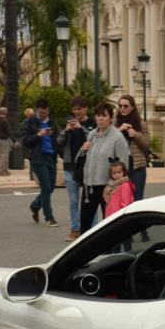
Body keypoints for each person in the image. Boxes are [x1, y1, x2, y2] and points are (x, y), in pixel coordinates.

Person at [76, 102, 131, 232]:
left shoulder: (117, 137)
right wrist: (82, 150)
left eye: (104, 115)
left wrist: (112, 185)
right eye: (98, 115)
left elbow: (123, 165)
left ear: (110, 117)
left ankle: (111, 251)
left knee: (109, 225)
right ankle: (86, 252)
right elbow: (82, 158)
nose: (101, 119)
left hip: (107, 187)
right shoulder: (92, 134)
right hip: (89, 186)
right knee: (85, 224)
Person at [56, 95, 97, 240]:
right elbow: (59, 142)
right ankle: (75, 229)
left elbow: (94, 139)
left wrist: (82, 128)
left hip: (87, 166)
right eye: (75, 110)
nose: (77, 112)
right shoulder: (67, 122)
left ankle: (93, 228)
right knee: (73, 200)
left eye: (79, 109)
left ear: (85, 108)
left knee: (90, 199)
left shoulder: (92, 122)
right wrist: (66, 130)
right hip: (70, 166)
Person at [20, 98, 60, 226]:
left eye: (46, 113)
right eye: (42, 113)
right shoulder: (29, 122)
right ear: (37, 110)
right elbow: (25, 140)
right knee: (46, 186)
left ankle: (34, 206)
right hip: (38, 157)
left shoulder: (51, 121)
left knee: (50, 187)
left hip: (51, 156)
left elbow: (57, 138)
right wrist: (38, 135)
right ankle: (49, 217)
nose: (44, 115)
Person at [116, 94, 151, 200]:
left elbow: (147, 144)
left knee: (137, 198)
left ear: (132, 107)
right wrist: (119, 131)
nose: (122, 108)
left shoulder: (141, 124)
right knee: (121, 198)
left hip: (136, 165)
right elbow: (109, 142)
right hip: (120, 165)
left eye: (125, 106)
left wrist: (136, 135)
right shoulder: (114, 123)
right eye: (120, 106)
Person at [0, 106, 13, 175]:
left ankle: (5, 170)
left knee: (4, 155)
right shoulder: (5, 121)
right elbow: (8, 132)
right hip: (4, 139)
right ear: (5, 113)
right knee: (5, 156)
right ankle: (1, 170)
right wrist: (14, 140)